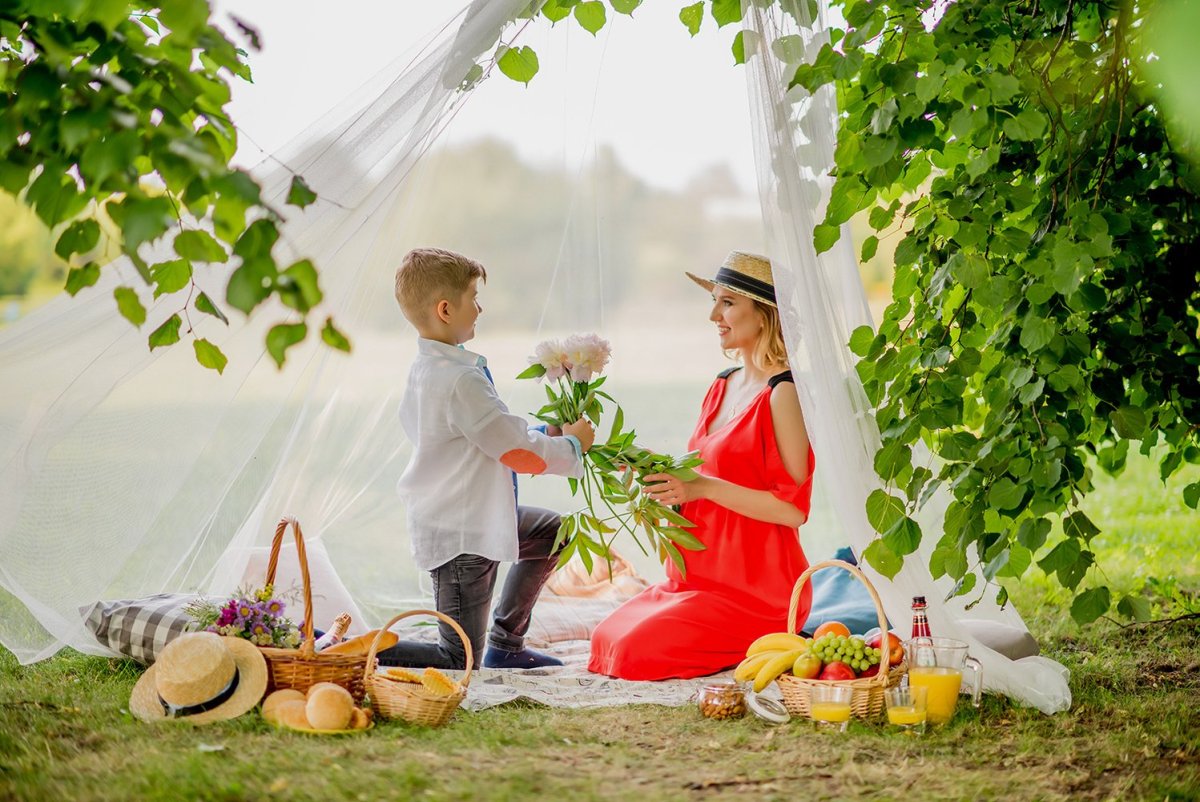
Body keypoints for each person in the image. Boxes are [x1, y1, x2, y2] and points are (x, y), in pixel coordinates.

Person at [588, 251, 814, 680]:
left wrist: (701, 488)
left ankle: (770, 635)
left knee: (636, 652)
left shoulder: (784, 394)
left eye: (727, 302)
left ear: (764, 314)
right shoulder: (720, 386)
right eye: (714, 301)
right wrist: (651, 468)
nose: (714, 315)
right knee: (606, 640)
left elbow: (792, 509)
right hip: (696, 579)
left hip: (756, 590)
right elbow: (704, 471)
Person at [381, 247, 595, 670]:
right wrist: (573, 446)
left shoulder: (432, 369)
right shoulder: (459, 379)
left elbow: (490, 433)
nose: (480, 308)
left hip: (479, 512)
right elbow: (515, 453)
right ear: (446, 309)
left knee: (557, 533)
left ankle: (506, 643)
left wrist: (547, 432)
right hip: (460, 536)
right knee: (457, 658)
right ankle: (348, 646)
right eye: (474, 297)